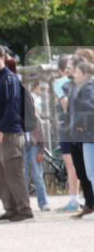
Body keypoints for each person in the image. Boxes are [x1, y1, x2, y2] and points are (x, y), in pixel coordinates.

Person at [0, 45, 32, 222]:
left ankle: (23, 209)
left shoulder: (10, 79)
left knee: (13, 173)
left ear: (3, 58)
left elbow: (13, 106)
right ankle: (10, 209)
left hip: (8, 134)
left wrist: (2, 128)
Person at [54, 55, 82, 211]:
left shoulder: (59, 83)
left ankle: (74, 200)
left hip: (68, 128)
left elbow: (65, 106)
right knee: (82, 165)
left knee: (71, 165)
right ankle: (84, 198)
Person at [68, 58, 94, 218]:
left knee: (91, 173)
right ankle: (90, 204)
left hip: (89, 135)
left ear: (85, 74)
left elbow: (89, 108)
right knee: (88, 173)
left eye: (77, 72)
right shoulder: (82, 88)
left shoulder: (88, 89)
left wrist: (80, 123)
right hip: (84, 135)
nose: (74, 75)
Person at [24, 80, 51, 213]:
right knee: (23, 175)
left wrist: (41, 151)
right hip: (22, 146)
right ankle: (24, 204)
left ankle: (43, 202)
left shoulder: (35, 117)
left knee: (37, 175)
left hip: (34, 146)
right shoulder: (17, 117)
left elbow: (41, 136)